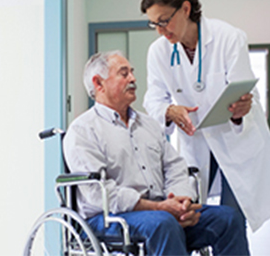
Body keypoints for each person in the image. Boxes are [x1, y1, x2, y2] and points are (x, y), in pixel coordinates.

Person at [63, 50, 249, 255]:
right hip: (108, 217)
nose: (133, 78)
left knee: (228, 218)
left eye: (132, 72)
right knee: (164, 223)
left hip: (162, 213)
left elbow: (175, 166)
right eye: (123, 74)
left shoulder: (149, 125)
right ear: (98, 83)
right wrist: (157, 208)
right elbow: (98, 194)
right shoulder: (82, 130)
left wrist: (183, 202)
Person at [140, 0, 270, 233]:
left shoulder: (229, 38)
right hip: (197, 142)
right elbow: (153, 98)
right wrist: (168, 110)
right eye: (154, 24)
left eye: (164, 21)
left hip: (238, 143)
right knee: (194, 219)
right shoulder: (158, 52)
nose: (161, 31)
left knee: (232, 220)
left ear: (186, 9)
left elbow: (242, 95)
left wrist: (238, 112)